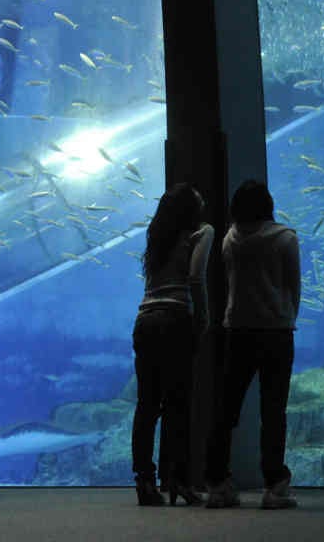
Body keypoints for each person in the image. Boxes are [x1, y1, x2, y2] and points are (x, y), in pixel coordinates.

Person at [204, 180, 300, 510]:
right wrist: (286, 316)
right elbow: (293, 286)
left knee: (226, 409)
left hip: (238, 331)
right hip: (276, 332)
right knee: (273, 411)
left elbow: (229, 282)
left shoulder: (229, 239)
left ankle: (217, 482)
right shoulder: (285, 238)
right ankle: (274, 485)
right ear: (268, 204)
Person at [131, 182, 213, 507]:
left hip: (145, 321)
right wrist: (203, 318)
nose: (203, 200)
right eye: (199, 197)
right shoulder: (202, 231)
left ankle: (145, 481)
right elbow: (195, 277)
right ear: (192, 208)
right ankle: (180, 480)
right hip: (176, 319)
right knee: (179, 406)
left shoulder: (157, 238)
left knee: (147, 405)